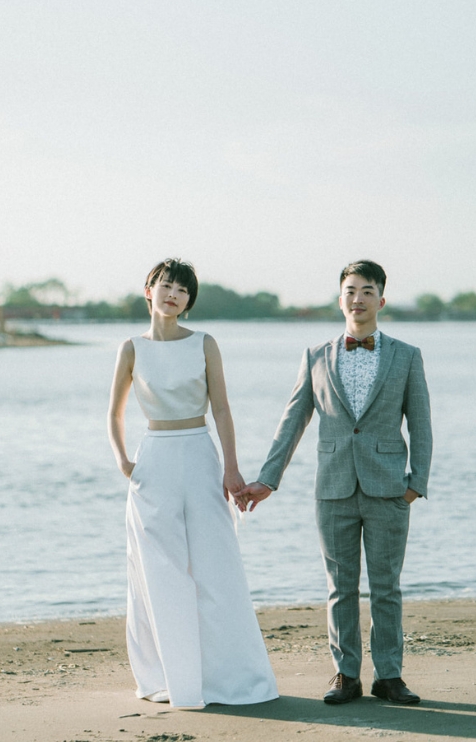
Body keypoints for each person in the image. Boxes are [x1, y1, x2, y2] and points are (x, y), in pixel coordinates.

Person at [237, 259, 431, 706]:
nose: (357, 299)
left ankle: (389, 676)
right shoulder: (315, 356)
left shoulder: (406, 356)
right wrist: (268, 480)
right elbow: (292, 423)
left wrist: (415, 483)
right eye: (350, 290)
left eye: (366, 291)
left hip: (389, 490)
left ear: (381, 299)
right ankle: (346, 674)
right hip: (333, 488)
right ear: (340, 298)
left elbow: (421, 424)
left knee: (386, 587)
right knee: (340, 586)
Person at [106, 258, 278, 709]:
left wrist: (232, 468)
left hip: (201, 454)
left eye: (183, 290)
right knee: (159, 570)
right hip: (153, 461)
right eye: (166, 285)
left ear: (189, 300)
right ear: (149, 290)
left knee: (214, 565)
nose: (173, 294)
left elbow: (221, 408)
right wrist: (124, 459)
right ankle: (173, 679)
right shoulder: (131, 348)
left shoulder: (204, 343)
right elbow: (114, 413)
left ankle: (229, 680)